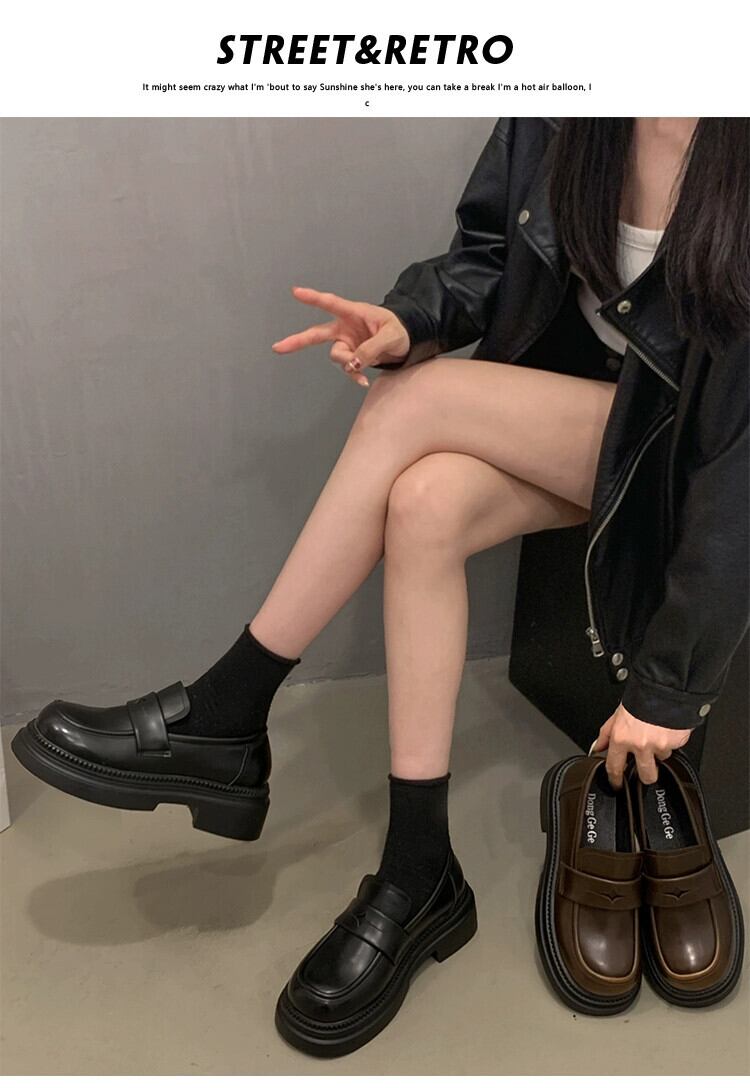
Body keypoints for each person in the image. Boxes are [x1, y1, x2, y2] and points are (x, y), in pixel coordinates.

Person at [12, 117, 749, 1056]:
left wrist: (670, 687)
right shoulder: (571, 103)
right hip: (582, 425)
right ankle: (418, 866)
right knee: (424, 502)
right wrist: (413, 320)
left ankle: (228, 711)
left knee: (420, 398)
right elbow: (487, 254)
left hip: (690, 460)